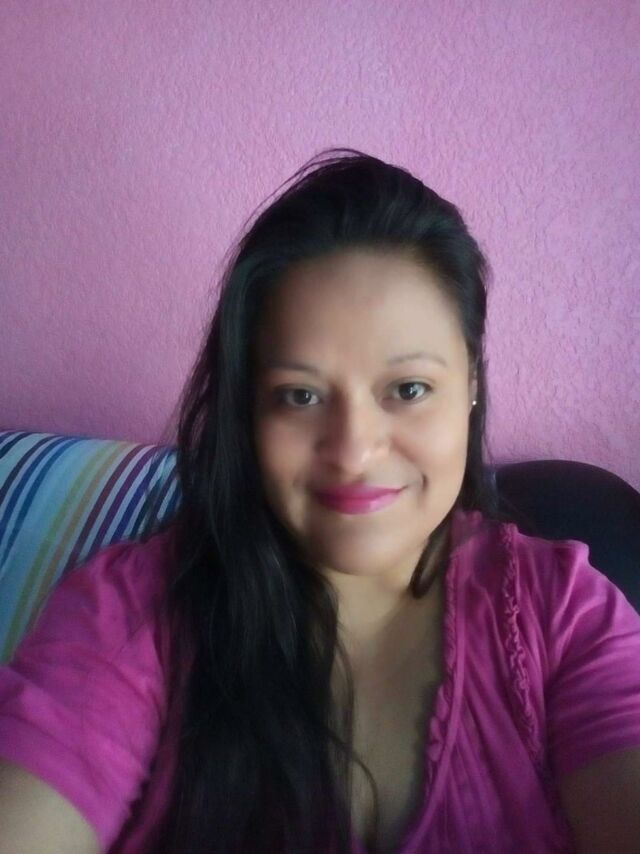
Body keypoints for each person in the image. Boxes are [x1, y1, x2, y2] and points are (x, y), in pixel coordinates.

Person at [0, 149, 639, 854]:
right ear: (248, 408)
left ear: (472, 385)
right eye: (300, 395)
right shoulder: (127, 614)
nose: (353, 450)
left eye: (408, 389)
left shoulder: (563, 613)